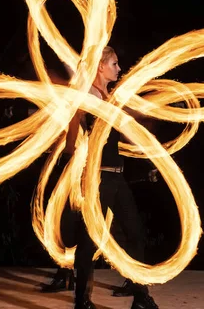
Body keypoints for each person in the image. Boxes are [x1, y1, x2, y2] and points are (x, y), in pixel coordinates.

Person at [68, 46, 159, 309]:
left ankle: (141, 297)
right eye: (115, 64)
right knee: (89, 240)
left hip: (118, 178)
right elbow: (71, 135)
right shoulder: (88, 98)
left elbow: (125, 128)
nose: (119, 69)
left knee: (136, 234)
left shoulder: (109, 96)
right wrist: (79, 157)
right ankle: (81, 301)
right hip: (99, 180)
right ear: (101, 67)